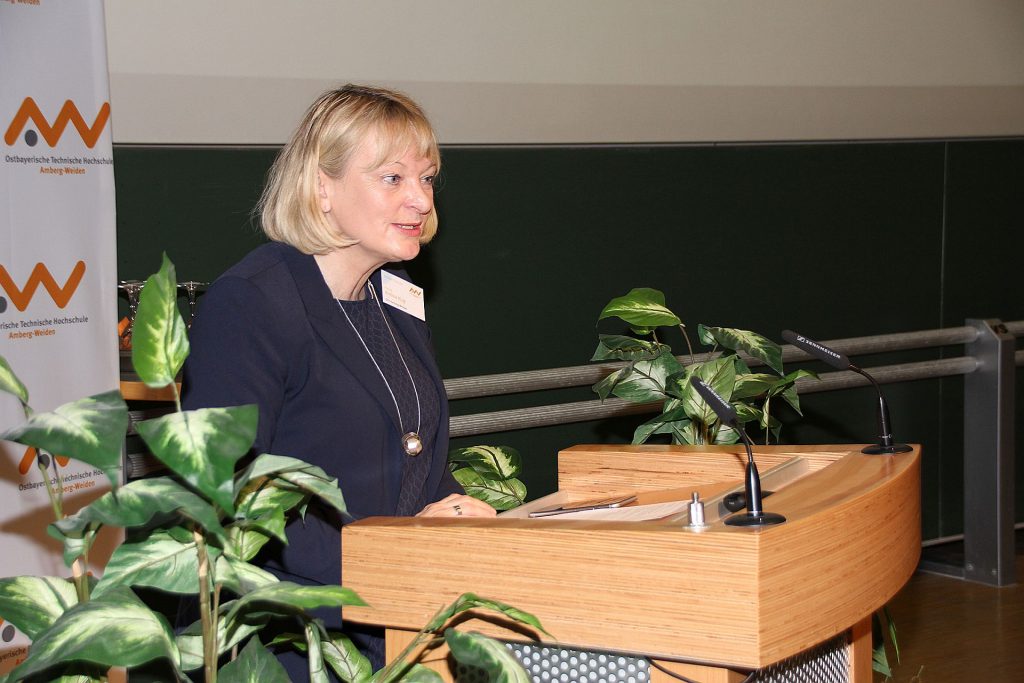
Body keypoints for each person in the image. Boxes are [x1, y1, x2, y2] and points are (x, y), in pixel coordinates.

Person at [182, 84, 495, 678]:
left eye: (427, 179)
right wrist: (391, 559)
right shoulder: (252, 302)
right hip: (292, 631)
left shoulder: (391, 296)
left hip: (394, 606)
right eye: (393, 178)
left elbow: (412, 447)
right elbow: (237, 499)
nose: (421, 201)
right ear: (321, 187)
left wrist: (458, 510)